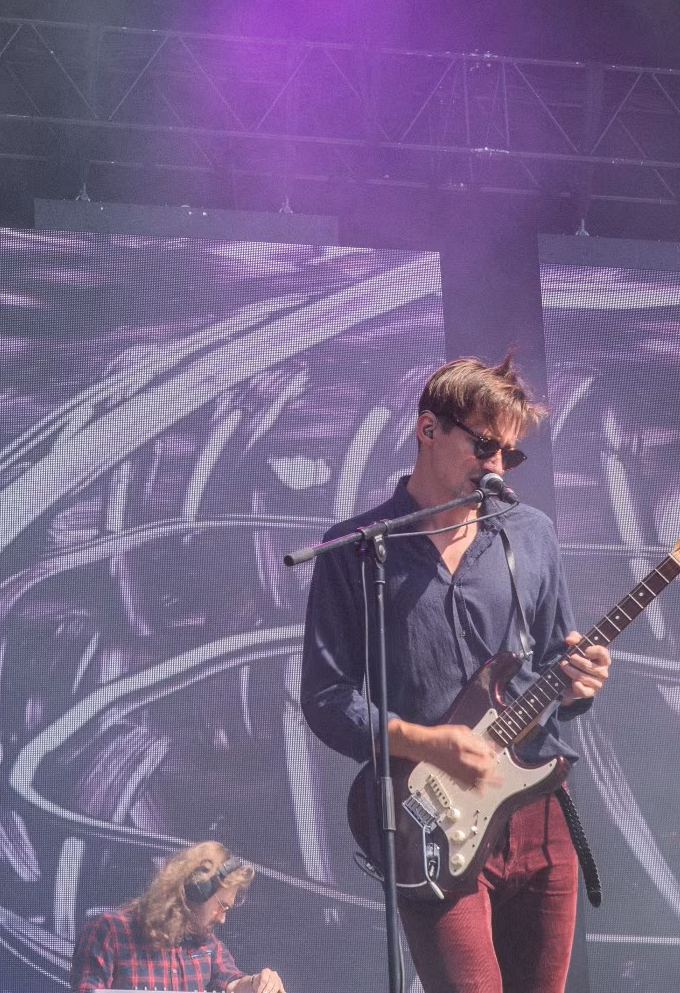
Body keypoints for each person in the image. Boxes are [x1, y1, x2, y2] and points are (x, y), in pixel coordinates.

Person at [299, 354, 613, 993]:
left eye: (510, 454)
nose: (496, 465)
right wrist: (425, 742)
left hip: (537, 805)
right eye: (485, 444)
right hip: (430, 818)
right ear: (428, 429)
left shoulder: (530, 535)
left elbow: (555, 665)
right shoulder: (359, 549)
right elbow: (327, 697)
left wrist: (581, 682)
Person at [69, 840, 289, 993]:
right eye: (222, 906)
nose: (223, 918)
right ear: (197, 889)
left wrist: (257, 983)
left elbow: (233, 983)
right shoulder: (109, 930)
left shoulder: (208, 946)